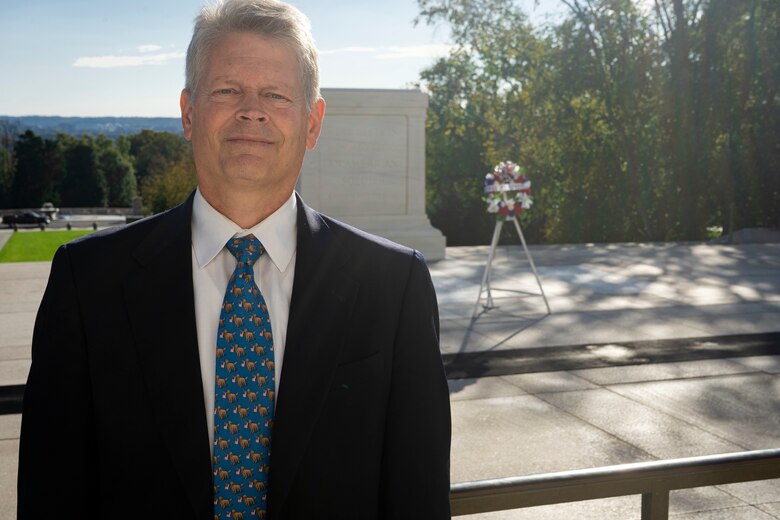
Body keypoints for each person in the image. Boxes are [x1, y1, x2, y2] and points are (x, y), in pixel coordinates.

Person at [16, 0, 451, 518]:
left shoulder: (392, 286)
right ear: (188, 113)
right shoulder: (87, 284)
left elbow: (418, 498)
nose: (252, 109)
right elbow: (52, 493)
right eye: (227, 90)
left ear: (312, 124)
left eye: (276, 94)